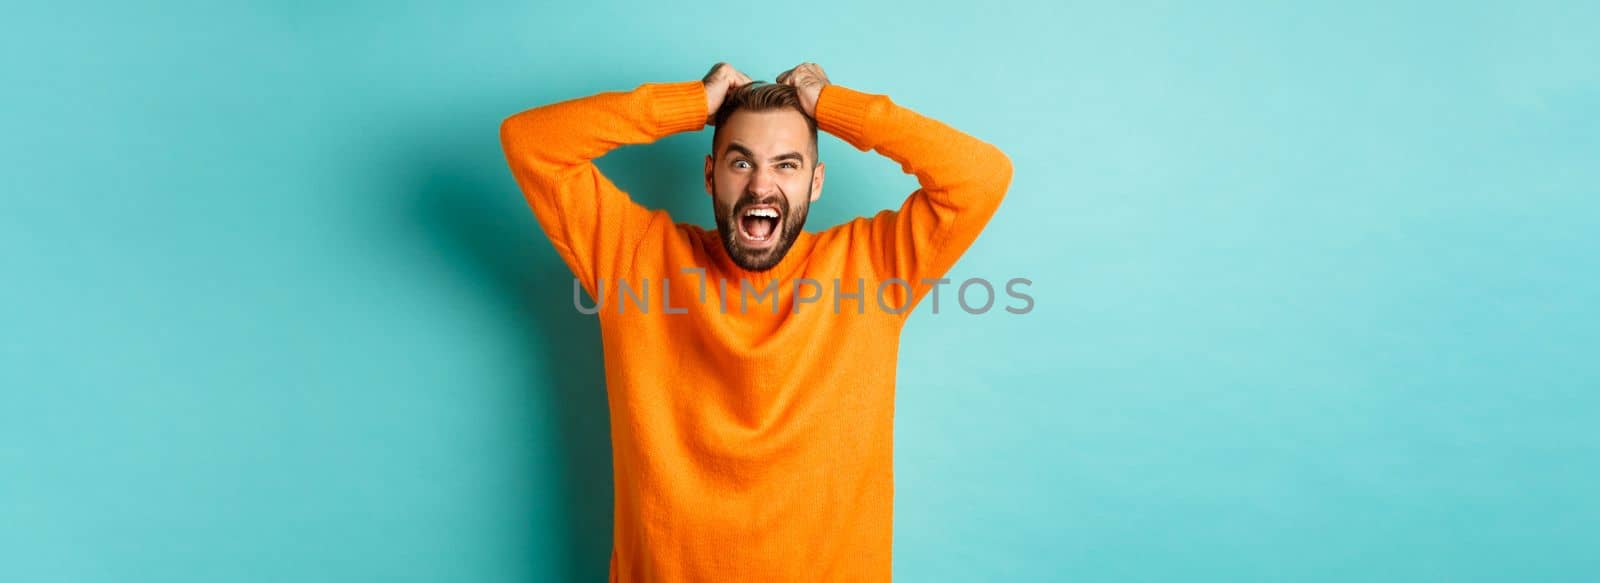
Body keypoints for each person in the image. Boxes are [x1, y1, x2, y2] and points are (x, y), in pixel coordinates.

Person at [500, 61, 1012, 582]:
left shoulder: (873, 270)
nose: (761, 187)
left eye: (786, 165)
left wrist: (832, 106)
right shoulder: (634, 259)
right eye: (741, 163)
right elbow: (530, 141)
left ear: (815, 184)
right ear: (709, 174)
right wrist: (693, 103)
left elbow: (981, 177)